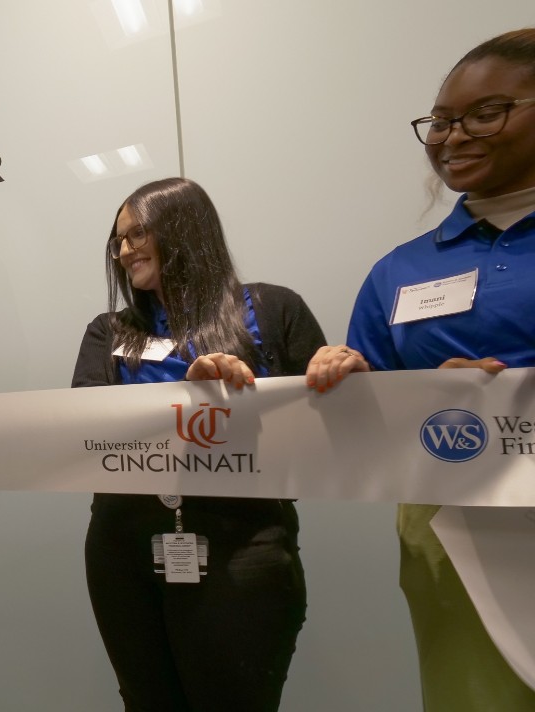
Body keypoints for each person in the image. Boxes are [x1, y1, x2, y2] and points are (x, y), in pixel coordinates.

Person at [306, 28, 535, 711]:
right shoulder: (398, 271)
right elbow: (371, 424)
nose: (453, 135)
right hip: (449, 523)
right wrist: (342, 373)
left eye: (485, 112)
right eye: (439, 121)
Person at [72, 178, 321, 712]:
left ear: (185, 228)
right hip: (124, 552)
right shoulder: (108, 331)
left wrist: (339, 373)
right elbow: (85, 429)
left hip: (242, 546)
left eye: (138, 233)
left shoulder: (274, 309)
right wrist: (183, 392)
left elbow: (320, 432)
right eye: (118, 240)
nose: (124, 250)